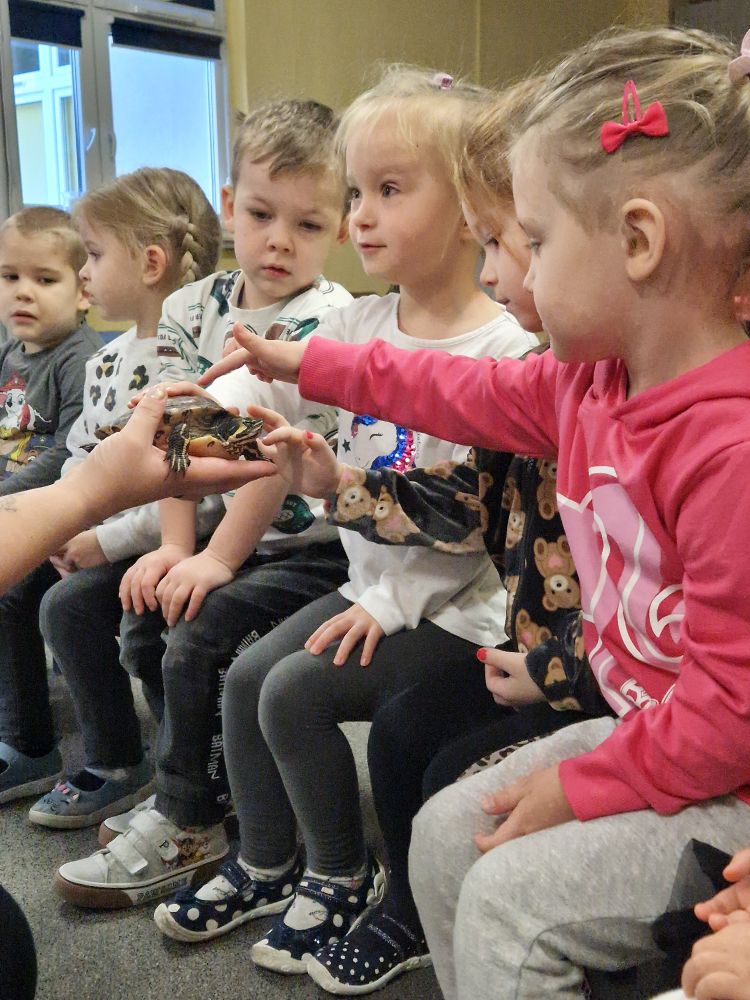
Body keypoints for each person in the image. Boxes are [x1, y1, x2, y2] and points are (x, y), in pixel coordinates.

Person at [200, 25, 750, 1000]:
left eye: (533, 239)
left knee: (503, 900)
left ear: (637, 241)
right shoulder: (589, 383)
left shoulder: (728, 447)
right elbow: (450, 390)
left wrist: (580, 784)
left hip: (725, 777)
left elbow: (728, 717)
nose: (514, 270)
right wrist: (307, 361)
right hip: (656, 733)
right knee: (448, 833)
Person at [150, 65, 536, 979]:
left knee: (294, 692)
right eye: (356, 193)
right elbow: (261, 397)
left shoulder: (508, 348)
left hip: (454, 610)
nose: (360, 216)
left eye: (389, 191)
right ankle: (267, 862)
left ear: (469, 210)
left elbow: (475, 523)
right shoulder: (360, 322)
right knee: (248, 678)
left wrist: (391, 604)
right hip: (372, 585)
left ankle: (341, 873)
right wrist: (177, 419)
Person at [254, 84, 609, 995]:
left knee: (443, 767)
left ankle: (413, 908)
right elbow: (466, 495)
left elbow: (654, 619)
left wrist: (556, 671)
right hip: (543, 656)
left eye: (512, 243)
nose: (494, 273)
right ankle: (405, 905)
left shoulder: (590, 391)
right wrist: (334, 483)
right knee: (401, 737)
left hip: (578, 673)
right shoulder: (560, 380)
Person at [52, 97, 355, 908]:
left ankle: (189, 818)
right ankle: (195, 784)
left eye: (308, 224)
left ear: (339, 228)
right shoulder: (195, 307)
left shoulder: (328, 320)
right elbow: (177, 433)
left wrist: (214, 560)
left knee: (198, 635)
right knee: (144, 617)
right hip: (226, 527)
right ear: (229, 204)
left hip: (313, 547)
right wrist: (175, 547)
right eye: (260, 214)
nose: (279, 241)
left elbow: (271, 456)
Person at [13, 168, 222, 828]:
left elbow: (202, 491)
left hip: (183, 544)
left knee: (111, 618)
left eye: (94, 255)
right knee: (47, 600)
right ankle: (104, 758)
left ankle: (167, 771)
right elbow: (84, 460)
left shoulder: (201, 360)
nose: (85, 273)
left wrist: (101, 539)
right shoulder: (106, 362)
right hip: (104, 539)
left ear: (151, 263)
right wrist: (62, 527)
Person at [0, 206, 101, 802]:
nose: (23, 292)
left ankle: (28, 745)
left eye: (44, 279)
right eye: (10, 276)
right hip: (18, 511)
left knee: (11, 591)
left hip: (65, 517)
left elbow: (68, 453)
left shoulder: (79, 359)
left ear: (83, 291)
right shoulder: (12, 352)